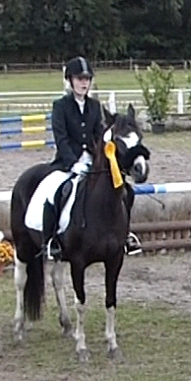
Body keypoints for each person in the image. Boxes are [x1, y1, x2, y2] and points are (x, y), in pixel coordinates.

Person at [43, 56, 141, 259]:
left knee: (126, 191)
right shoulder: (60, 106)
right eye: (79, 79)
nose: (84, 83)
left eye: (87, 79)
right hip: (67, 163)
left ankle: (125, 235)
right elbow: (61, 139)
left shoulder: (95, 106)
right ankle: (52, 240)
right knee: (56, 192)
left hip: (93, 163)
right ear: (70, 80)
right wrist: (73, 163)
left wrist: (101, 158)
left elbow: (99, 136)